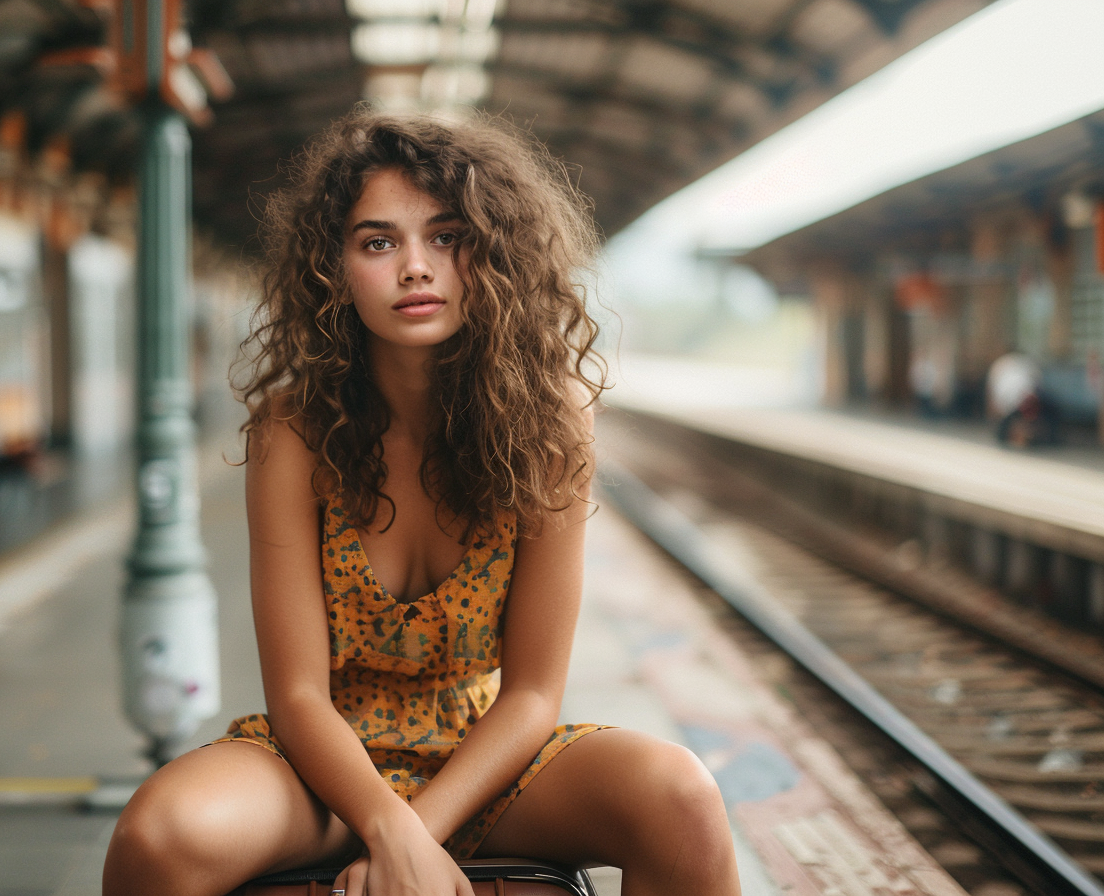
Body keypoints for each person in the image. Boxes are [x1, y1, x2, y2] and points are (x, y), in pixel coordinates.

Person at [103, 112, 740, 896]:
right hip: (321, 771)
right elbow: (298, 695)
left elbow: (536, 692)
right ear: (334, 269)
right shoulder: (291, 431)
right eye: (378, 242)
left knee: (683, 798)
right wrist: (387, 825)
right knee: (155, 836)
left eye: (447, 237)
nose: (415, 267)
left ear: (494, 254)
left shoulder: (551, 420)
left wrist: (419, 832)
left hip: (489, 761)